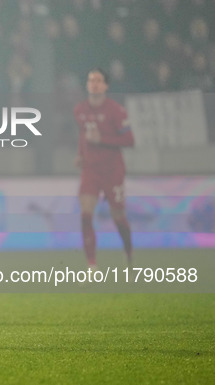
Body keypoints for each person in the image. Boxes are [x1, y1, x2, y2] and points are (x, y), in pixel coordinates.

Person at [73, 68, 134, 270]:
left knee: (118, 217)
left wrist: (103, 140)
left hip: (112, 170)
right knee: (85, 214)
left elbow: (129, 139)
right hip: (90, 170)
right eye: (91, 80)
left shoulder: (116, 111)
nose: (94, 84)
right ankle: (92, 265)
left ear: (106, 86)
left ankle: (128, 252)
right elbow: (84, 135)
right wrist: (81, 155)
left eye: (98, 80)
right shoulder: (80, 110)